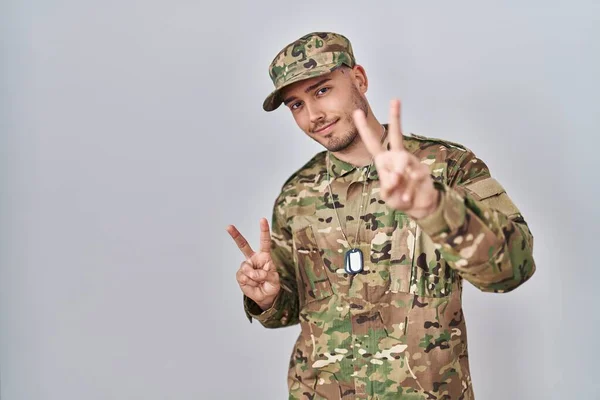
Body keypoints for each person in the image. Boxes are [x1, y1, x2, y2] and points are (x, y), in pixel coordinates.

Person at [226, 31, 536, 400]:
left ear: (359, 79)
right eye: (296, 105)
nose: (313, 115)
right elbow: (293, 309)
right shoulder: (297, 194)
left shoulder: (445, 166)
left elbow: (513, 268)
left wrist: (435, 207)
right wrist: (269, 297)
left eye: (322, 90)